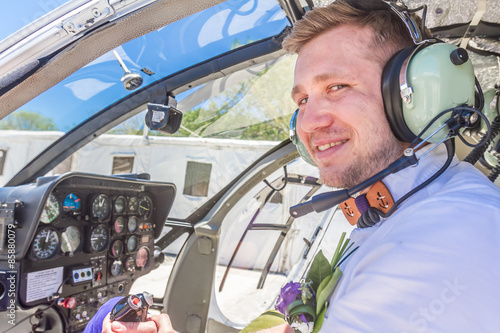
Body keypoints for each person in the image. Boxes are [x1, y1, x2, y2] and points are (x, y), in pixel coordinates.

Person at [91, 0, 500, 332]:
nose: (307, 123)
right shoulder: (396, 205)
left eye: (337, 87)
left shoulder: (444, 237)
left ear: (412, 96)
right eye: (302, 100)